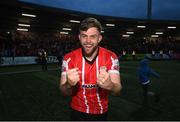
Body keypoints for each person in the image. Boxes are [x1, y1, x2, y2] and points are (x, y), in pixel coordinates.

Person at [60, 17, 122, 121]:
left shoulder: (111, 57)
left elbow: (117, 91)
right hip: (77, 111)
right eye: (84, 36)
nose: (88, 41)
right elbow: (64, 92)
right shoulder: (69, 58)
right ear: (79, 37)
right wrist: (68, 84)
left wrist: (110, 85)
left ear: (99, 38)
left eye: (93, 37)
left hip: (100, 112)